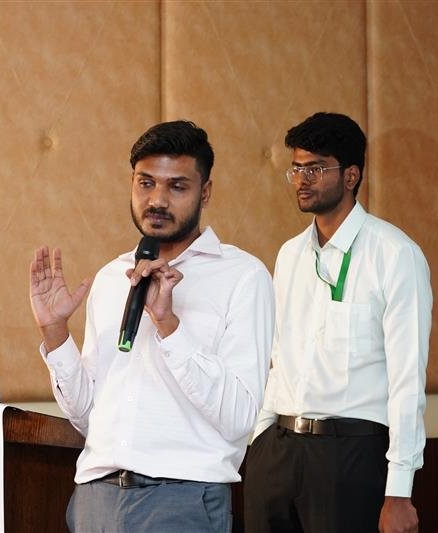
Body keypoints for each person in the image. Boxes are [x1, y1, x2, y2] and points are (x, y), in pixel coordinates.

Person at [29, 120, 274, 532]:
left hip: (182, 499)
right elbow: (88, 416)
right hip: (95, 498)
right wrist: (55, 333)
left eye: (177, 186)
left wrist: (168, 324)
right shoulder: (112, 277)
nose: (157, 200)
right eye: (146, 183)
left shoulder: (243, 277)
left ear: (205, 192)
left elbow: (239, 417)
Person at [244, 112, 432, 533]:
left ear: (350, 175)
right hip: (277, 452)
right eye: (296, 169)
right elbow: (278, 356)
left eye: (315, 169)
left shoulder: (395, 255)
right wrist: (259, 441)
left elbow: (407, 379)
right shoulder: (289, 254)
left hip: (350, 454)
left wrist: (399, 491)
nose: (302, 179)